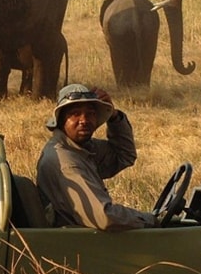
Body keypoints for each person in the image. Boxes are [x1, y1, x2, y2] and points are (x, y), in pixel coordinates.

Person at [36, 83, 154, 231]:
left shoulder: (82, 148)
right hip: (75, 245)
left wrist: (114, 117)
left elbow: (124, 155)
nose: (84, 120)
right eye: (75, 114)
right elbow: (104, 217)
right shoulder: (66, 162)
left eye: (90, 114)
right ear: (60, 120)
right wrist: (150, 220)